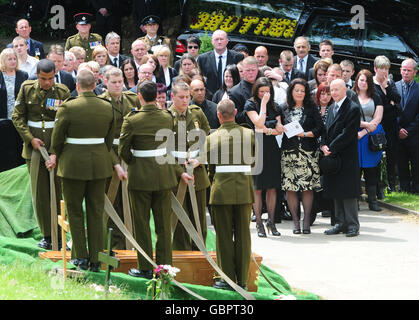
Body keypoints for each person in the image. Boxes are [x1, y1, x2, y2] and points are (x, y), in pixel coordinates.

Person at [118, 80, 192, 279]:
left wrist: (135, 161)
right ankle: (165, 267)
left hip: (140, 177)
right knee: (163, 226)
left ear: (140, 97)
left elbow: (123, 150)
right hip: (163, 175)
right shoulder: (167, 117)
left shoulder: (132, 119)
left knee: (141, 224)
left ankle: (145, 267)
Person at [51, 69, 115, 271]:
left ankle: (80, 257)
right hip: (99, 164)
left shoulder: (68, 107)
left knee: (75, 211)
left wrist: (56, 154)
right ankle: (96, 258)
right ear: (95, 84)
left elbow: (57, 138)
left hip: (73, 166)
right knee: (96, 211)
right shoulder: (107, 107)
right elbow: (109, 139)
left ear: (77, 86)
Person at [191, 98, 255, 290]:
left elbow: (208, 166)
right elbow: (253, 160)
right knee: (244, 235)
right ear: (235, 113)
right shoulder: (249, 134)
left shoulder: (211, 138)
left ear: (218, 116)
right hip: (244, 190)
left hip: (220, 192)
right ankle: (242, 279)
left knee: (224, 235)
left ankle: (226, 278)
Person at [12, 59, 70, 249]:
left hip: (57, 147)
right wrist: (30, 139)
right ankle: (47, 234)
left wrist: (55, 151)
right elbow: (17, 116)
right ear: (37, 75)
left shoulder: (62, 91)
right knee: (40, 194)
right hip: (34, 148)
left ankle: (61, 234)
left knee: (59, 192)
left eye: (51, 78)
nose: (47, 83)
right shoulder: (27, 88)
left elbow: (66, 123)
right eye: (44, 79)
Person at [99, 67, 140, 249]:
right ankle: (112, 244)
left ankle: (129, 242)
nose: (117, 85)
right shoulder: (101, 103)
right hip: (109, 154)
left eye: (120, 82)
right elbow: (101, 137)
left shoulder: (132, 99)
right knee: (111, 200)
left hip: (130, 153)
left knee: (130, 201)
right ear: (105, 82)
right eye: (113, 82)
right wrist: (115, 162)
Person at [169, 81, 211, 251]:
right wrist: (179, 170)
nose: (185, 101)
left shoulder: (197, 113)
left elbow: (208, 139)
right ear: (172, 96)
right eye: (181, 97)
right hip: (175, 171)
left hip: (197, 172)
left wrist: (201, 158)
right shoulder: (166, 116)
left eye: (187, 97)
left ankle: (199, 251)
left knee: (199, 216)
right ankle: (182, 253)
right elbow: (164, 148)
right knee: (179, 216)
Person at [279, 78, 324, 234]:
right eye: (296, 90)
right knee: (290, 188)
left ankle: (306, 221)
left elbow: (320, 128)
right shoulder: (283, 108)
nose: (299, 93)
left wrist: (305, 134)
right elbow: (277, 125)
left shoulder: (312, 108)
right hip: (289, 153)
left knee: (307, 188)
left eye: (302, 91)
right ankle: (296, 222)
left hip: (308, 153)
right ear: (291, 91)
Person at [321, 79, 361, 237]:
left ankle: (352, 225)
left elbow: (348, 133)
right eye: (332, 90)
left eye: (337, 89)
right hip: (332, 157)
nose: (334, 93)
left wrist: (332, 148)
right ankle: (339, 222)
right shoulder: (331, 108)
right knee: (336, 189)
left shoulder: (353, 108)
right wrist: (323, 145)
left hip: (347, 156)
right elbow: (325, 130)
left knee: (348, 192)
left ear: (345, 90)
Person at [244, 77, 283, 237]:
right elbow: (259, 122)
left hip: (271, 147)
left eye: (267, 92)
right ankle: (259, 222)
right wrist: (263, 105)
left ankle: (271, 221)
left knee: (272, 186)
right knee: (258, 187)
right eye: (262, 92)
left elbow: (279, 129)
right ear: (256, 91)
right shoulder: (250, 104)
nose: (265, 94)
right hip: (256, 146)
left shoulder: (276, 106)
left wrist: (268, 129)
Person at [353, 69, 384, 211]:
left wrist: (365, 131)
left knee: (371, 169)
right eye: (361, 79)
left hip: (370, 137)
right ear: (357, 80)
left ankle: (373, 202)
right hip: (354, 136)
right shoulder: (350, 95)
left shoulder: (376, 96)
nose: (363, 83)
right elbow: (350, 117)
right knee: (355, 170)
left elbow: (377, 119)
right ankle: (355, 201)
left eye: (366, 80)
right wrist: (365, 125)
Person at [373, 55, 401, 194]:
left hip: (391, 126)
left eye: (387, 68)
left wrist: (387, 87)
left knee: (391, 155)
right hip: (378, 126)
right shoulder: (371, 84)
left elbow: (397, 100)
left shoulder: (390, 83)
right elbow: (380, 106)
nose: (385, 71)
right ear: (375, 69)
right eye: (382, 68)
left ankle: (392, 185)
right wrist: (391, 105)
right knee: (377, 155)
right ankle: (379, 187)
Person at [0, 48, 28, 172]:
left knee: (18, 150)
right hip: (2, 120)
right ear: (2, 61)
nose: (13, 61)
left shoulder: (23, 75)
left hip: (19, 119)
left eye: (14, 58)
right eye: (9, 59)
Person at [395, 58, 419, 194]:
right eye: (404, 70)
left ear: (415, 72)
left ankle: (416, 188)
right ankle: (403, 187)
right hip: (398, 133)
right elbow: (390, 112)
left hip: (414, 134)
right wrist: (398, 129)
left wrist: (408, 131)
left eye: (409, 70)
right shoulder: (394, 86)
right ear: (400, 70)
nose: (406, 73)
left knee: (416, 163)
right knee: (401, 162)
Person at [197, 29, 244, 96]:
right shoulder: (203, 59)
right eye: (216, 39)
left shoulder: (237, 57)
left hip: (233, 95)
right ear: (212, 41)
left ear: (227, 41)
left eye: (221, 39)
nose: (219, 42)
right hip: (209, 98)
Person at [229, 56, 259, 125]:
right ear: (242, 71)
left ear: (257, 69)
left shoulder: (264, 85)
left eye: (253, 70)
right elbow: (235, 116)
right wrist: (250, 112)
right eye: (248, 70)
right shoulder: (235, 92)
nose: (251, 72)